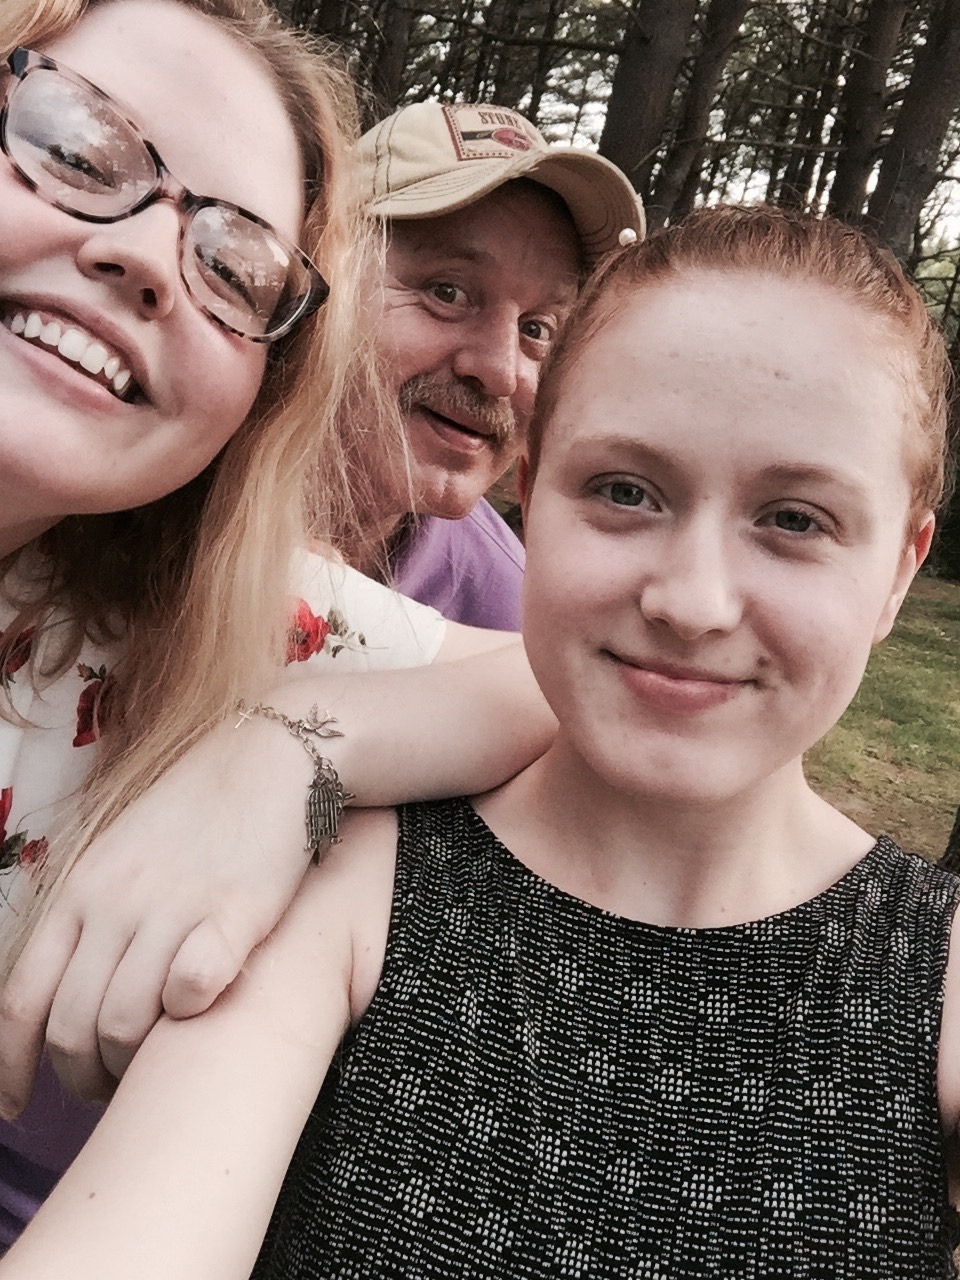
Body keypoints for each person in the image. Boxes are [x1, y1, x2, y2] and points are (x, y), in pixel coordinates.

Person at [3, 204, 957, 1279]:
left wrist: (282, 747)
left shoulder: (938, 978)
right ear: (530, 495)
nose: (692, 602)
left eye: (796, 520)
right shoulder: (344, 900)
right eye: (625, 491)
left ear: (901, 568)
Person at [0, 0, 554, 1250]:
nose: (150, 257)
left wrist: (288, 747)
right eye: (75, 149)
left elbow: (605, 695)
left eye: (235, 261)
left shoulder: (183, 604)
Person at [353, 100, 645, 629]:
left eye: (536, 329)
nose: (500, 372)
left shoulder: (505, 617)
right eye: (448, 292)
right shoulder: (185, 486)